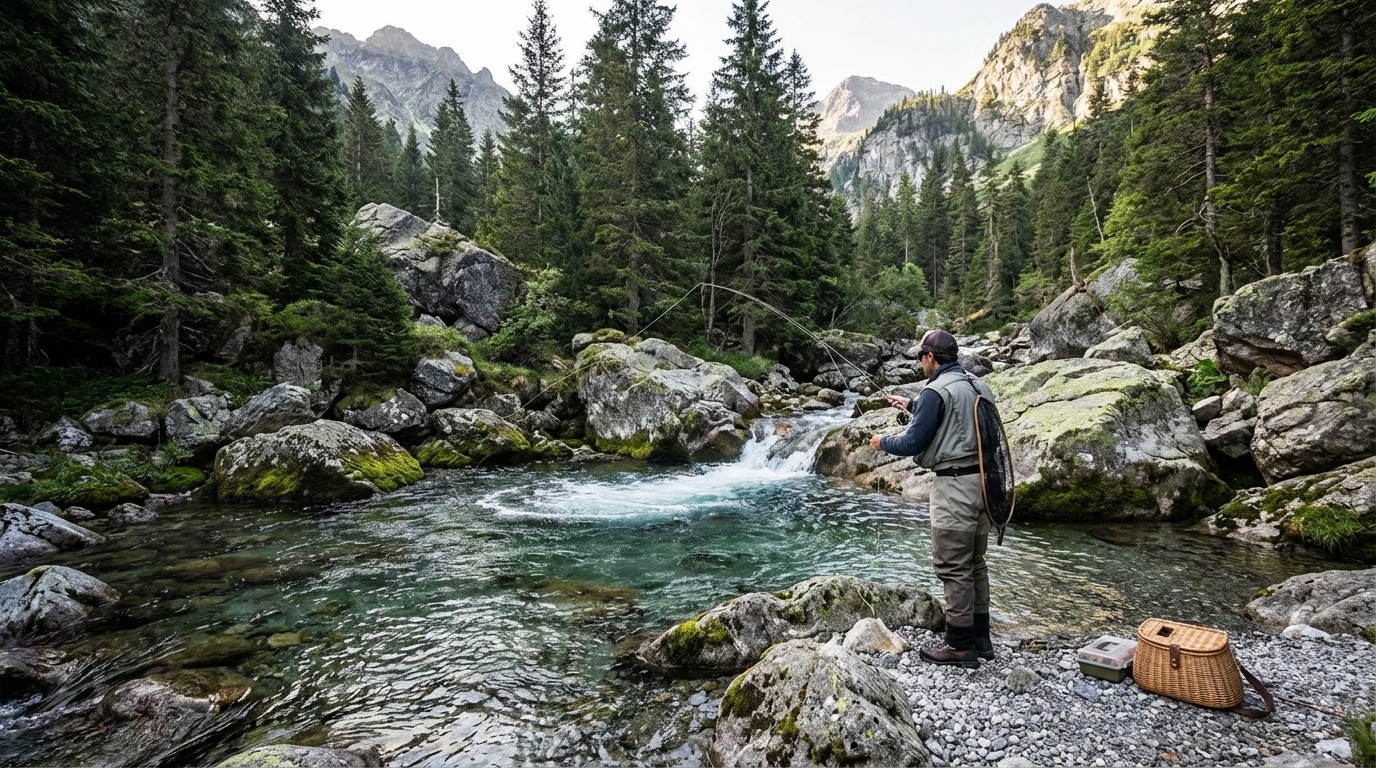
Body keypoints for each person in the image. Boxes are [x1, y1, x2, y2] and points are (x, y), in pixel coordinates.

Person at [869, 329, 997, 667]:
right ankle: (981, 638)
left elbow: (913, 443)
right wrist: (912, 405)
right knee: (975, 563)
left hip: (954, 489)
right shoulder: (978, 385)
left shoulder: (934, 391)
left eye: (921, 357)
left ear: (930, 358)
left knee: (953, 567)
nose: (921, 363)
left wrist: (882, 442)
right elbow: (956, 423)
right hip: (986, 484)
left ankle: (959, 646)